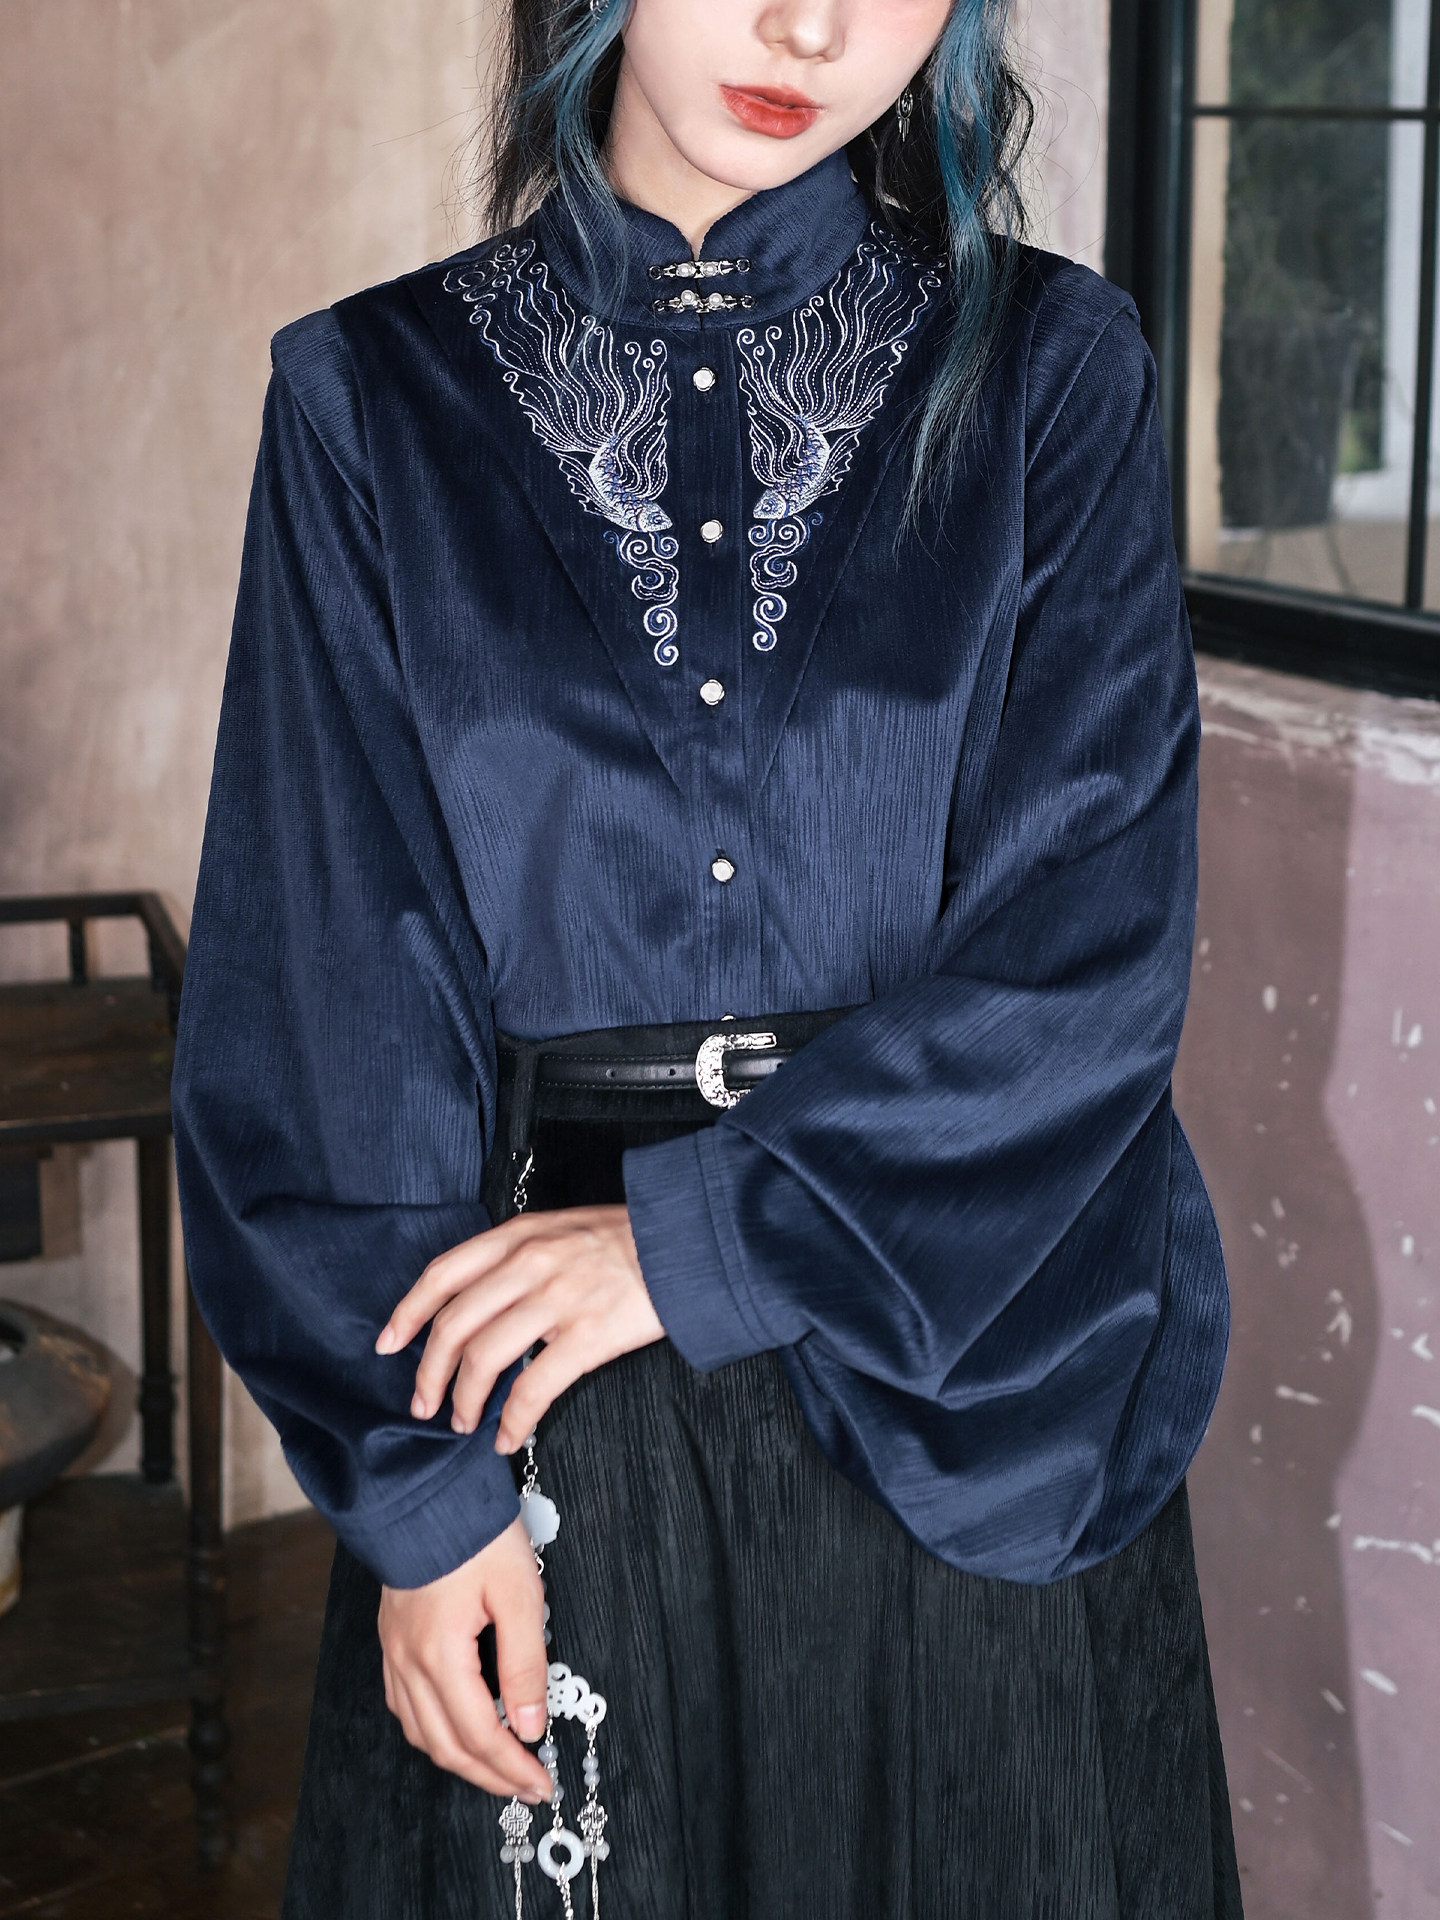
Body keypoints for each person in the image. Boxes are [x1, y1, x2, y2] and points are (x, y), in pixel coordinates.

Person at [172, 0, 1244, 1912]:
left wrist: (697, 1245)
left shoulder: (1054, 375)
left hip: (962, 1361)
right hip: (532, 1408)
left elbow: (1089, 949)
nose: (809, 27)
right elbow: (327, 985)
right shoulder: (370, 403)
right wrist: (416, 1503)